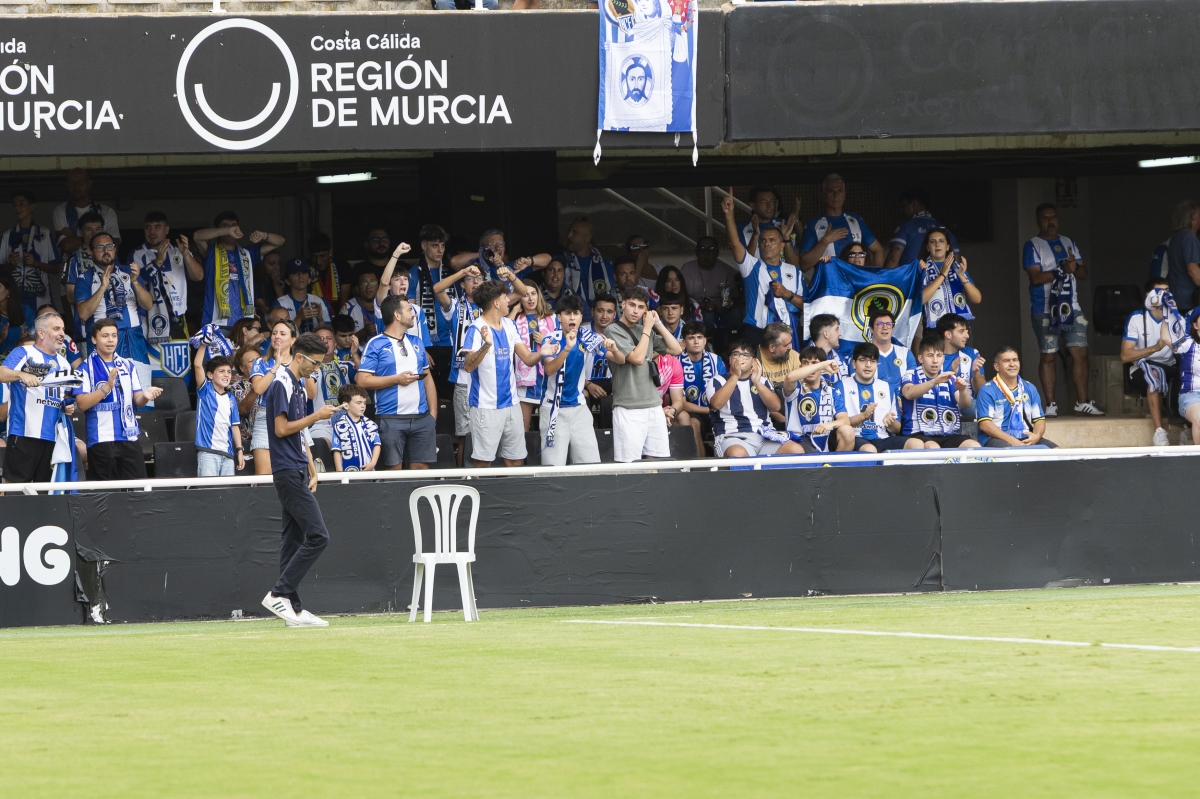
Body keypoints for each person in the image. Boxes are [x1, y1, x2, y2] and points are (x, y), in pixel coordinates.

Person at [259, 332, 339, 628]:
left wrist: (311, 466)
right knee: (319, 536)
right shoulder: (281, 384)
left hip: (296, 468)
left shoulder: (296, 386)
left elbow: (298, 432)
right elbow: (282, 429)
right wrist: (317, 416)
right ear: (300, 357)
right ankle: (279, 593)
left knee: (292, 541)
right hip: (285, 470)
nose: (315, 369)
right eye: (314, 363)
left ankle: (291, 608)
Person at [1022, 202, 1102, 417]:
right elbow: (1036, 277)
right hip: (1044, 308)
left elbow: (1083, 273)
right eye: (1046, 218)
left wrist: (1075, 267)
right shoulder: (1032, 245)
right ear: (1038, 221)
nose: (1051, 221)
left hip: (1071, 307)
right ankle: (1051, 405)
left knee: (1080, 353)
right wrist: (1061, 270)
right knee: (1048, 355)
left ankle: (1082, 402)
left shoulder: (1069, 242)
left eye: (1054, 217)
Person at [460, 280, 552, 467]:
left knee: (515, 458)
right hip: (485, 406)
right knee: (483, 462)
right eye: (504, 297)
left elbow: (527, 358)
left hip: (512, 404)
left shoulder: (510, 325)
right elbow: (468, 366)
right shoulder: (476, 329)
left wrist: (541, 353)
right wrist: (486, 345)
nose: (508, 301)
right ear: (496, 303)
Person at [74, 318, 163, 481]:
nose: (110, 340)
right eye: (105, 336)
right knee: (107, 494)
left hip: (129, 436)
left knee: (138, 488)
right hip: (101, 438)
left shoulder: (127, 365)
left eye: (114, 335)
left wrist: (146, 395)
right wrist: (106, 387)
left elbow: (137, 399)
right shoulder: (84, 368)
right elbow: (81, 404)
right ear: (94, 339)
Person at [356, 295, 438, 470]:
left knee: (421, 469)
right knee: (394, 469)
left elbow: (427, 377)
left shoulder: (416, 341)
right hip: (390, 418)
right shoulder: (375, 344)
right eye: (409, 310)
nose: (414, 314)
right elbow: (361, 380)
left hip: (422, 418)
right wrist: (396, 379)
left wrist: (432, 415)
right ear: (397, 315)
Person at [604, 287, 684, 462]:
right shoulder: (613, 329)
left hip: (654, 405)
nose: (635, 311)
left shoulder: (645, 329)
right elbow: (637, 358)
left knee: (659, 459)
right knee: (629, 463)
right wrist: (647, 328)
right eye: (632, 305)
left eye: (641, 307)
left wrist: (658, 324)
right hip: (628, 407)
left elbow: (676, 349)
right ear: (623, 304)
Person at [0, 311, 78, 483]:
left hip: (53, 438)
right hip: (25, 433)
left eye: (63, 329)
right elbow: (2, 373)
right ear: (41, 333)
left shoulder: (64, 363)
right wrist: (21, 375)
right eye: (56, 329)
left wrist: (67, 406)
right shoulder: (24, 352)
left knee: (44, 495)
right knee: (17, 491)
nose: (62, 333)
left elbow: (64, 395)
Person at [722, 192, 802, 347]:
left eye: (772, 240)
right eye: (763, 240)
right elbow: (734, 244)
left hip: (787, 333)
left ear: (782, 246)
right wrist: (728, 215)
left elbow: (806, 305)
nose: (767, 244)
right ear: (759, 245)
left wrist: (787, 294)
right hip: (756, 332)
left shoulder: (795, 271)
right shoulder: (752, 266)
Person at [538, 294, 607, 466]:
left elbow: (619, 358)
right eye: (567, 313)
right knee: (553, 469)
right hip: (553, 409)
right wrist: (567, 348)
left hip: (579, 409)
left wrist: (613, 348)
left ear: (581, 317)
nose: (572, 317)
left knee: (591, 466)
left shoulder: (586, 337)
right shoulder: (550, 338)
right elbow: (549, 369)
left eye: (576, 313)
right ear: (559, 317)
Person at [194, 211, 283, 328]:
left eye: (234, 225)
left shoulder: (247, 253)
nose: (231, 229)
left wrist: (264, 235)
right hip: (216, 321)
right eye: (225, 225)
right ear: (218, 230)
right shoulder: (211, 252)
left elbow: (280, 241)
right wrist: (226, 231)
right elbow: (197, 236)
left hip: (245, 323)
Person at [74, 233, 153, 363]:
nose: (106, 251)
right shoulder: (85, 278)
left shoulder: (129, 272)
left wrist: (136, 282)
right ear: (92, 252)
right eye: (100, 247)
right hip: (103, 341)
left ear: (115, 249)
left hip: (134, 338)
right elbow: (83, 314)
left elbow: (148, 305)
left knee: (140, 381)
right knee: (105, 382)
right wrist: (102, 287)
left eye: (109, 246)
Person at [130, 212, 202, 347]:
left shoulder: (177, 251)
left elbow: (198, 276)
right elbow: (136, 282)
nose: (152, 231)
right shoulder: (137, 254)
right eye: (148, 227)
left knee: (178, 361)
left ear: (167, 230)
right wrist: (157, 262)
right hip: (148, 317)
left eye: (157, 227)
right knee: (153, 361)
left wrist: (186, 254)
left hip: (177, 315)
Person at [706, 340, 788, 458]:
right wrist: (735, 375)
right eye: (736, 354)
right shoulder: (717, 381)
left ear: (754, 361)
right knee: (737, 454)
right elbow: (716, 404)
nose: (740, 358)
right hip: (732, 437)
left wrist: (757, 382)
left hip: (765, 436)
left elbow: (775, 407)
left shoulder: (763, 381)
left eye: (745, 355)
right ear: (730, 359)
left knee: (795, 449)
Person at [1122, 280, 1180, 446]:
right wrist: (1155, 348)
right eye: (1159, 292)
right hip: (1141, 367)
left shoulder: (1175, 317)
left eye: (1167, 291)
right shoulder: (1136, 318)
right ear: (1148, 296)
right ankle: (1159, 432)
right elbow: (1125, 356)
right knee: (1154, 373)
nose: (1165, 295)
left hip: (1169, 366)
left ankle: (1186, 427)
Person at [899, 337, 980, 449]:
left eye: (939, 355)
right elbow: (908, 393)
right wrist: (934, 381)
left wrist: (962, 390)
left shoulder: (950, 378)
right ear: (920, 358)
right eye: (930, 355)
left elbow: (966, 405)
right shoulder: (911, 374)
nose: (935, 360)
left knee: (974, 445)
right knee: (933, 447)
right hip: (917, 433)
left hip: (948, 433)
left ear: (943, 358)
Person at [797, 174, 884, 272]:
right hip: (830, 285)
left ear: (844, 195)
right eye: (831, 191)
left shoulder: (855, 220)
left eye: (839, 191)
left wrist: (874, 278)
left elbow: (878, 250)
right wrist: (825, 241)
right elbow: (803, 265)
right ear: (823, 195)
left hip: (855, 284)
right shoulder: (813, 224)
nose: (836, 195)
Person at [249, 318, 302, 476]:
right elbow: (258, 388)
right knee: (264, 478)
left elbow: (311, 393)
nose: (277, 336)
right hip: (267, 415)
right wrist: (276, 366)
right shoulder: (261, 362)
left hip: (294, 416)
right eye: (274, 333)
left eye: (282, 333)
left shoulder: (299, 363)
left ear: (293, 340)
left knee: (294, 475)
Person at [976, 346, 1055, 448]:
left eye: (1015, 360)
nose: (1012, 364)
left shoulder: (1030, 388)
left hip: (1025, 436)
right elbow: (984, 424)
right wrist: (1012, 440)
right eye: (1006, 361)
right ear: (997, 367)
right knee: (1010, 454)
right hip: (997, 438)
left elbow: (1039, 419)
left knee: (1056, 452)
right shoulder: (987, 390)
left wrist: (1036, 436)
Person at [0, 191, 59, 325]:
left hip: (41, 299)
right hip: (14, 301)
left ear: (32, 207)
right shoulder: (7, 236)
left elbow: (55, 269)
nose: (17, 208)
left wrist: (36, 263)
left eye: (21, 204)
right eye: (14, 205)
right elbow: (1, 273)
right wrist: (10, 264)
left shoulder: (44, 233)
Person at [781, 346, 852, 453]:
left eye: (814, 363)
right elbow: (789, 377)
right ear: (800, 366)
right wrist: (820, 365)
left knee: (848, 431)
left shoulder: (832, 391)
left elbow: (845, 420)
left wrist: (828, 426)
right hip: (799, 440)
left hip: (826, 438)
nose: (810, 367)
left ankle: (835, 468)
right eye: (805, 363)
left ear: (822, 369)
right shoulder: (796, 387)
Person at [508, 282, 559, 431]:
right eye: (525, 295)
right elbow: (505, 332)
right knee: (522, 428)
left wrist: (545, 339)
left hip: (546, 377)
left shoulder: (552, 317)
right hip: (524, 380)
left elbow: (561, 345)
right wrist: (515, 309)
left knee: (550, 428)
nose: (530, 298)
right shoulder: (515, 319)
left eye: (533, 293)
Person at [839, 343, 906, 452]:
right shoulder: (841, 386)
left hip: (883, 437)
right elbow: (838, 424)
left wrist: (890, 422)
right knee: (870, 450)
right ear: (854, 364)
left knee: (915, 444)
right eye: (863, 360)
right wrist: (863, 416)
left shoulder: (888, 387)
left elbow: (897, 428)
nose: (868, 365)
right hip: (856, 437)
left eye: (873, 361)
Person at [193, 354, 245, 476]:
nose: (226, 374)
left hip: (228, 454)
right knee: (209, 493)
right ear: (210, 375)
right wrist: (203, 344)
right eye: (221, 371)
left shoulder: (231, 398)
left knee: (227, 494)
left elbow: (235, 426)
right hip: (208, 453)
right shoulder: (205, 390)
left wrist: (240, 451)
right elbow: (197, 365)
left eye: (228, 372)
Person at [408, 224, 453, 364]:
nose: (440, 250)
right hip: (426, 343)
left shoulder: (451, 272)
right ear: (423, 246)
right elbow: (410, 312)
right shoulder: (413, 274)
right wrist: (419, 346)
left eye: (443, 245)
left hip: (451, 340)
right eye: (435, 246)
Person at [51, 168, 120, 258]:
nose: (76, 187)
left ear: (89, 184)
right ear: (67, 185)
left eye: (80, 183)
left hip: (100, 269)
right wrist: (101, 242)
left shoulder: (106, 212)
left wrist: (75, 236)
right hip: (72, 269)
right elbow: (67, 245)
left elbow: (114, 247)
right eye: (72, 183)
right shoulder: (61, 210)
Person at [920, 227, 980, 329]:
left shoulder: (958, 267)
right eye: (932, 242)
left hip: (960, 328)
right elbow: (920, 300)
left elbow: (977, 299)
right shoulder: (922, 268)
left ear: (947, 247)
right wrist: (942, 275)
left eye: (941, 241)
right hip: (936, 329)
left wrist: (961, 276)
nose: (937, 244)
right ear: (927, 247)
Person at [885, 188, 959, 268]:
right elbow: (957, 264)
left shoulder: (905, 227)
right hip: (941, 278)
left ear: (914, 205)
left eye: (904, 206)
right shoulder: (946, 231)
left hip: (913, 279)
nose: (902, 210)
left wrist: (884, 278)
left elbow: (893, 259)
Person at [680, 236, 738, 331]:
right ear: (697, 253)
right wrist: (701, 305)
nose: (706, 253)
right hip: (695, 309)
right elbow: (681, 298)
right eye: (702, 249)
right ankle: (709, 343)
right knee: (707, 315)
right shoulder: (687, 268)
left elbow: (735, 297)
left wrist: (730, 301)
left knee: (736, 313)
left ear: (717, 253)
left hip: (721, 310)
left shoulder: (726, 270)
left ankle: (731, 341)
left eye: (711, 249)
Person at [449, 229, 550, 282]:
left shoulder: (512, 267)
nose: (498, 248)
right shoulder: (475, 266)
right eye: (492, 245)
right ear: (482, 247)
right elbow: (454, 262)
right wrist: (485, 254)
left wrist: (529, 261)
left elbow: (547, 259)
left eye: (501, 244)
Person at [61, 211, 106, 321]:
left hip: (111, 321)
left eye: (98, 229)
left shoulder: (110, 258)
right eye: (88, 230)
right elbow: (71, 296)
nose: (94, 233)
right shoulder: (72, 260)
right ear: (81, 232)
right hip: (84, 324)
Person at [309, 326, 350, 444]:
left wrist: (355, 355)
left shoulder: (346, 366)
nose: (325, 341)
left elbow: (363, 381)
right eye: (320, 339)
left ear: (335, 343)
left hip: (345, 421)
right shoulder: (306, 369)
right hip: (318, 424)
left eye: (328, 338)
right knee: (321, 445)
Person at [561, 217, 615, 308]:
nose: (569, 236)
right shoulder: (561, 262)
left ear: (587, 237)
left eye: (574, 233)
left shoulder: (605, 265)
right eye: (569, 232)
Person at [1166, 310, 1200, 447]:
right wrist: (1165, 318)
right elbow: (1166, 339)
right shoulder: (1188, 342)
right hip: (1191, 396)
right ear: (1195, 325)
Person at [867, 308, 917, 400]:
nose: (885, 327)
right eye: (880, 324)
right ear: (871, 329)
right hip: (873, 408)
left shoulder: (906, 353)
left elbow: (912, 385)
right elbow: (859, 387)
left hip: (903, 409)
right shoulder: (861, 355)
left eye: (889, 324)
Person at [274, 258, 332, 335]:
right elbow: (280, 336)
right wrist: (299, 318)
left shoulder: (320, 301)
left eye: (304, 273)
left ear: (309, 280)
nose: (300, 276)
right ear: (287, 281)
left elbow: (328, 336)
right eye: (295, 273)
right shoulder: (280, 303)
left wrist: (320, 319)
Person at [1161, 200, 1200, 313]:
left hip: (1176, 298)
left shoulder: (1176, 237)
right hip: (1189, 300)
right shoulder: (1189, 238)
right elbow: (1192, 269)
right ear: (1194, 217)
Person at [936, 313, 986, 400]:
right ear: (948, 334)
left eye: (966, 331)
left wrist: (976, 372)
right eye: (961, 331)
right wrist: (952, 374)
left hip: (968, 407)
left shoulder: (972, 353)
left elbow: (982, 391)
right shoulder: (932, 356)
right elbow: (926, 389)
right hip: (941, 406)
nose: (967, 336)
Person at [331, 385, 381, 472]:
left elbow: (377, 444)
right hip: (347, 474)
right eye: (358, 403)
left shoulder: (371, 424)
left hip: (369, 472)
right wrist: (339, 472)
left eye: (364, 403)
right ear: (346, 405)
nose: (363, 406)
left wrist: (373, 463)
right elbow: (336, 450)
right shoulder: (340, 426)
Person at [581, 292, 617, 398]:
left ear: (615, 315)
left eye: (609, 312)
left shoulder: (620, 334)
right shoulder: (581, 332)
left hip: (612, 383)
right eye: (600, 311)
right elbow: (570, 368)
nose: (604, 316)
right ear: (592, 311)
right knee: (583, 395)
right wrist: (588, 385)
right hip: (585, 383)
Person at [737, 186, 787, 256]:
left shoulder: (783, 224)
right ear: (753, 206)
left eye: (772, 201)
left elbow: (794, 261)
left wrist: (786, 238)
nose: (769, 206)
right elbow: (744, 262)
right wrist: (755, 235)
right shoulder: (741, 228)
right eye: (764, 202)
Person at [346, 225, 393, 299]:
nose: (381, 243)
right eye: (376, 240)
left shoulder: (400, 267)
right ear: (367, 244)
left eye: (385, 239)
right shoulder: (359, 269)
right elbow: (354, 293)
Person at [806, 314, 850, 383]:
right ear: (826, 334)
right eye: (836, 329)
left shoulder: (840, 357)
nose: (840, 334)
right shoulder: (807, 359)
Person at [306, 232, 342, 312]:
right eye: (314, 257)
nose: (318, 261)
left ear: (330, 252)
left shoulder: (342, 267)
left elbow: (344, 302)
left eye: (322, 256)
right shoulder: (305, 269)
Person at [342, 271, 380, 338]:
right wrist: (364, 332)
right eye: (364, 283)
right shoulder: (348, 308)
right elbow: (341, 339)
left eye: (373, 282)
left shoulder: (387, 305)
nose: (369, 286)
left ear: (379, 286)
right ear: (357, 288)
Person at [0, 273, 26, 358]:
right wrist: (1, 338)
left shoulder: (26, 312)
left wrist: (26, 339)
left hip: (23, 360)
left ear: (8, 291)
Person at [331, 315, 361, 383]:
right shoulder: (329, 352)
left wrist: (356, 355)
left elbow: (365, 375)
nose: (348, 340)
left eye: (350, 335)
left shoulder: (363, 350)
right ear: (333, 334)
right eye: (343, 336)